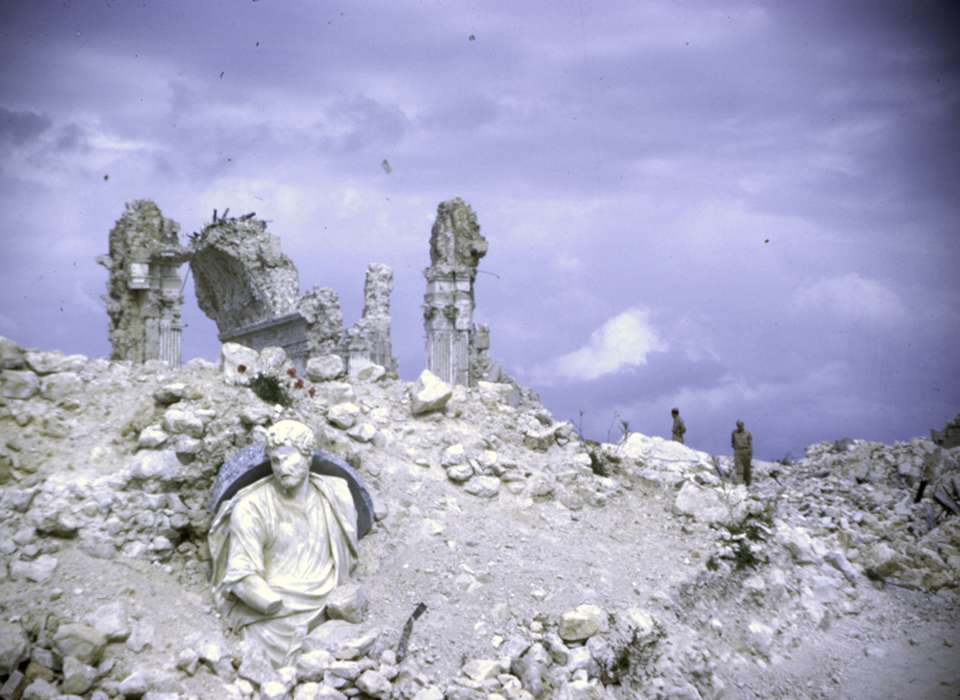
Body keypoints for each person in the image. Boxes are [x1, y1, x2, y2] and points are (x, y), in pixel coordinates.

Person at [208, 420, 359, 666]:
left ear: (308, 457)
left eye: (289, 458)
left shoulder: (335, 497)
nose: (281, 468)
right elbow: (240, 574)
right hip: (271, 616)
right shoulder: (252, 506)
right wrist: (270, 604)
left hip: (326, 607)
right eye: (275, 461)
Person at [731, 419, 753, 486]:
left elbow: (750, 444)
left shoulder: (748, 433)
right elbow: (733, 442)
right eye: (738, 425)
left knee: (747, 468)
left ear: (743, 425)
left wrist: (750, 453)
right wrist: (736, 449)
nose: (739, 427)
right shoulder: (734, 433)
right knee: (739, 468)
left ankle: (748, 484)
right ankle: (739, 484)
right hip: (737, 451)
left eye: (741, 425)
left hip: (746, 451)